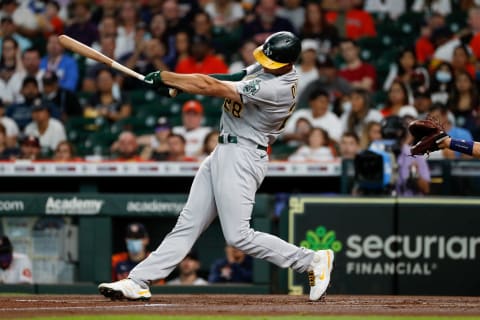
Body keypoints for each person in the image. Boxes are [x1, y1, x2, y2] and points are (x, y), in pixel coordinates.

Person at [98, 31, 334, 302]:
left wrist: (166, 77)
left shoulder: (277, 88)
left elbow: (212, 87)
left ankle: (311, 260)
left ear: (287, 63)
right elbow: (231, 78)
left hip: (244, 156)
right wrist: (180, 83)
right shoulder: (271, 65)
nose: (265, 62)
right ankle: (138, 280)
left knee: (238, 236)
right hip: (224, 151)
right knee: (188, 224)